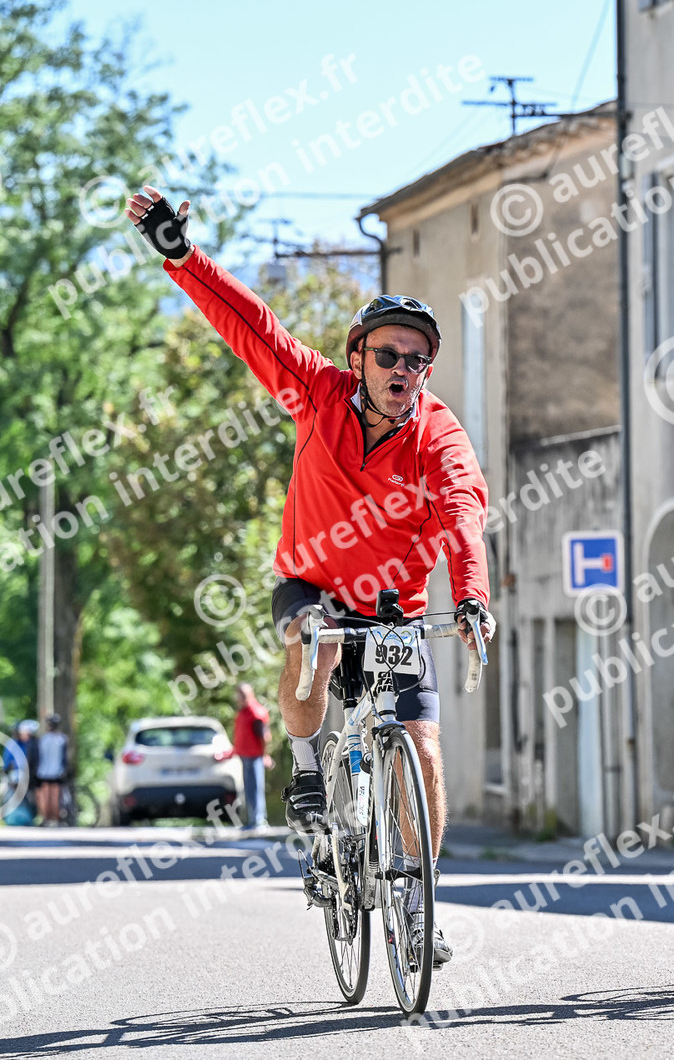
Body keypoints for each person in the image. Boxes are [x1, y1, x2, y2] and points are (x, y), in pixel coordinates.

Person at [125, 187, 496, 966]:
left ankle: (418, 903)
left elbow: (465, 512)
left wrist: (471, 596)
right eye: (388, 354)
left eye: (417, 359)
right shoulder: (319, 394)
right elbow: (253, 327)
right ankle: (304, 767)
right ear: (359, 357)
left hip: (394, 609)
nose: (403, 369)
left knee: (424, 748)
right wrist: (183, 256)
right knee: (315, 640)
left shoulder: (440, 436)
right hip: (312, 586)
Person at [233, 682, 274, 829]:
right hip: (245, 757)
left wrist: (265, 755)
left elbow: (264, 737)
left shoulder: (256, 712)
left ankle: (259, 820)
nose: (239, 698)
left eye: (242, 695)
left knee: (256, 788)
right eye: (239, 694)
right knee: (249, 789)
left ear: (250, 695)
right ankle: (252, 820)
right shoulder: (243, 712)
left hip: (255, 756)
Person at [34, 714, 69, 827]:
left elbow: (37, 756)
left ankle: (46, 819)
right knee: (54, 797)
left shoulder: (42, 739)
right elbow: (64, 758)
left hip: (43, 772)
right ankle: (55, 819)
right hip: (56, 772)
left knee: (46, 797)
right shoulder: (62, 739)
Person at [3, 720, 37, 825]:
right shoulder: (11, 744)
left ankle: (25, 818)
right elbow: (7, 763)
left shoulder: (26, 744)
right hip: (15, 775)